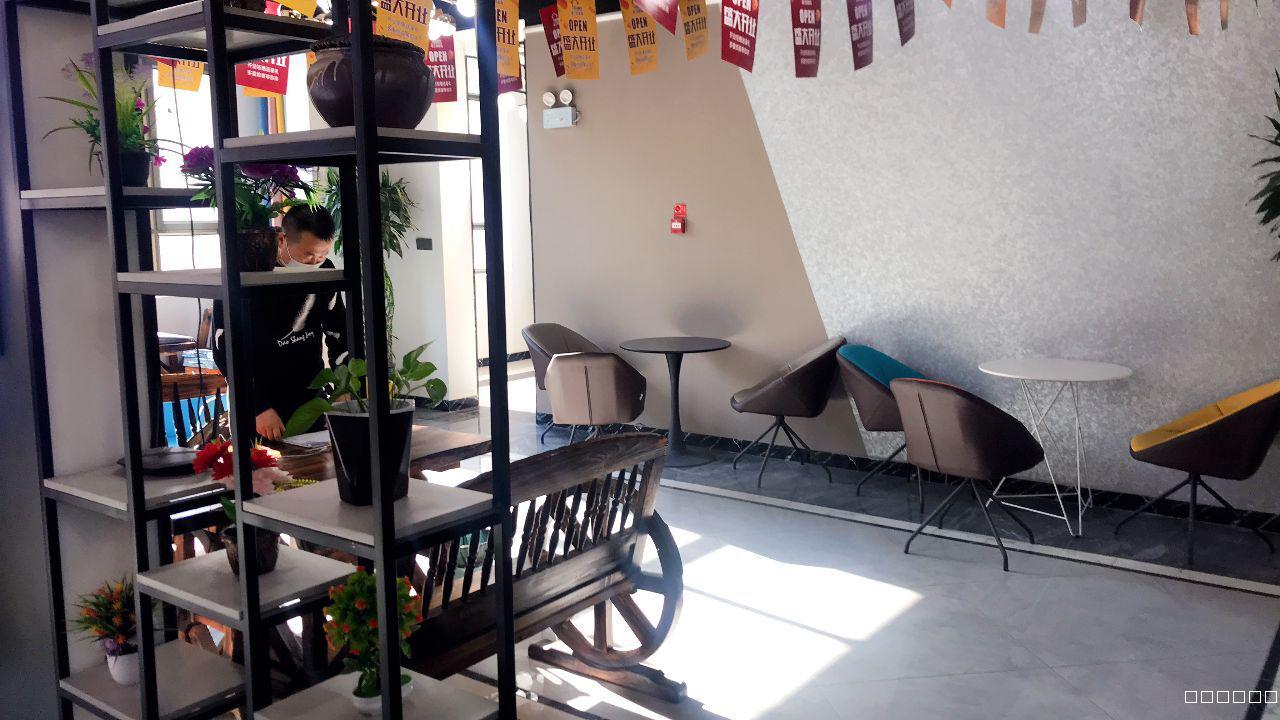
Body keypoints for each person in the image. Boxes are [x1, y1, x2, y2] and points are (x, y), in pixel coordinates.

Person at [212, 205, 348, 440]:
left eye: (322, 254)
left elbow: (340, 332)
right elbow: (223, 347)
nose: (315, 262)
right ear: (282, 239)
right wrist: (258, 405)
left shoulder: (324, 270)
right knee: (262, 462)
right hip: (258, 402)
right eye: (308, 255)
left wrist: (344, 385)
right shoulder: (248, 271)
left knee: (318, 460)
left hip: (310, 397)